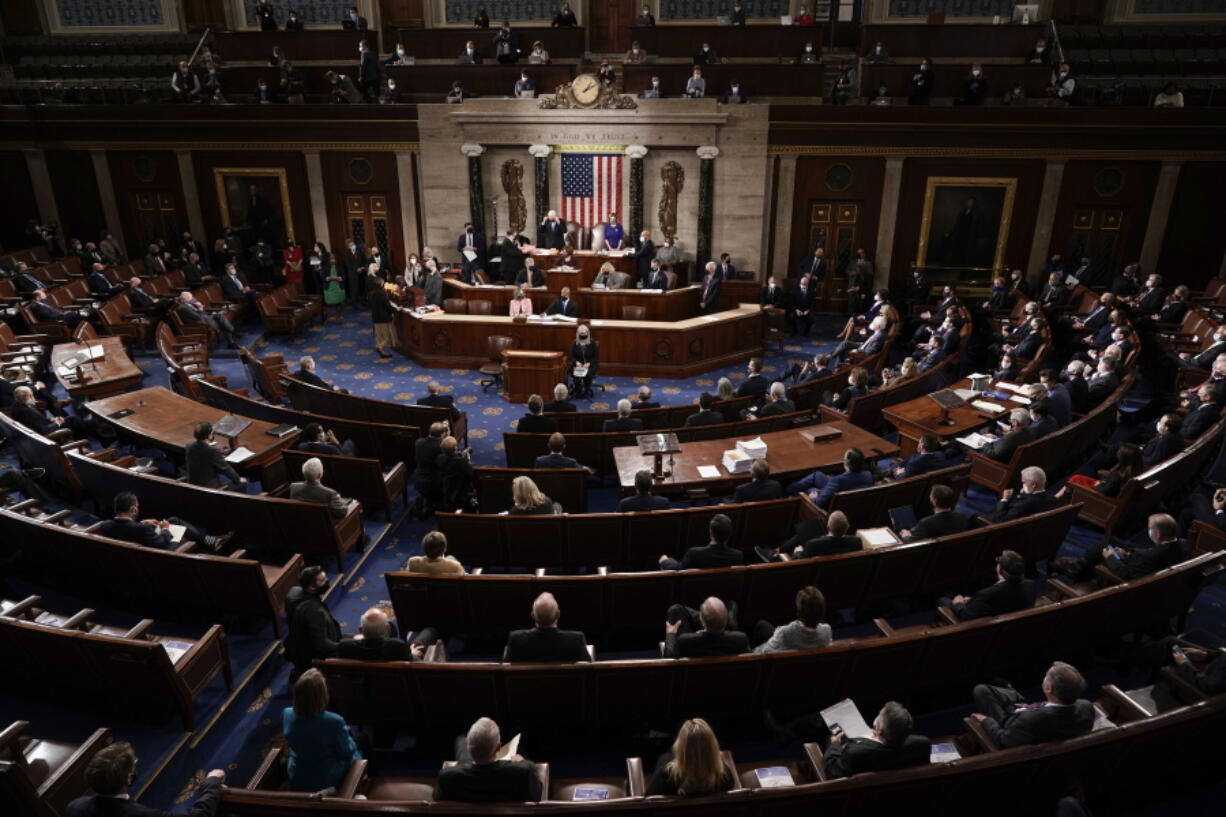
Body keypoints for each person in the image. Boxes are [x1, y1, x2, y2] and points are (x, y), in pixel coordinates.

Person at [64, 742, 225, 817]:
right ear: (128, 778)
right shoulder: (139, 814)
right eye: (134, 764)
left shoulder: (75, 806)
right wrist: (212, 782)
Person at [970, 662, 1095, 748]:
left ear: (1048, 688)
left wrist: (987, 721)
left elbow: (1003, 740)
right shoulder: (1086, 707)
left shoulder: (1029, 720)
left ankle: (1010, 691)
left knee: (981, 691)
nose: (1045, 678)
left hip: (1012, 726)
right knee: (1011, 696)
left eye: (1046, 677)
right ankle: (1010, 691)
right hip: (1030, 717)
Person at [282, 668, 362, 792]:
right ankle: (366, 785)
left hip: (299, 776)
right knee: (362, 741)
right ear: (322, 695)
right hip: (326, 778)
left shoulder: (286, 713)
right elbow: (346, 752)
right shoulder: (334, 721)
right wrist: (346, 733)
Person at [434, 717, 543, 802]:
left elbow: (437, 798)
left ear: (467, 745)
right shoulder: (523, 773)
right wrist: (522, 761)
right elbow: (537, 794)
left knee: (459, 739)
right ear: (498, 747)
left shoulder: (447, 777)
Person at [824, 701, 930, 778]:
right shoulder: (921, 745)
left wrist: (836, 743)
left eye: (879, 715)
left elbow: (832, 769)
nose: (878, 715)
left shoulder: (855, 754)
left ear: (880, 731)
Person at [98, 492, 232, 552]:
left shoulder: (104, 526)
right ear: (133, 509)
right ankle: (211, 542)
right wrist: (165, 529)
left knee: (174, 520)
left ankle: (211, 541)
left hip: (138, 546)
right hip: (163, 553)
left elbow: (126, 529)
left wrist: (142, 523)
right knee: (175, 525)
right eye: (137, 507)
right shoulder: (141, 529)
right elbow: (163, 546)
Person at [645, 718, 734, 796]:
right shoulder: (724, 776)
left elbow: (649, 803)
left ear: (680, 746)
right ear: (712, 746)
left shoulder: (667, 776)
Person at [942, 550, 1032, 621]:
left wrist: (958, 603)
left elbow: (965, 616)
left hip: (980, 627)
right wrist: (973, 600)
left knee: (942, 601)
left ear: (1000, 570)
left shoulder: (987, 594)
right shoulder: (1030, 585)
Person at [285, 566, 339, 680]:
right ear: (311, 587)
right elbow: (323, 646)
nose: (327, 581)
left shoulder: (294, 591)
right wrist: (342, 647)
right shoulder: (314, 612)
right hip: (314, 659)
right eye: (322, 580)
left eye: (326, 577)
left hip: (301, 647)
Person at [505, 592, 590, 662]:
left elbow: (506, 669)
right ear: (558, 614)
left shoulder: (515, 640)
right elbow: (588, 668)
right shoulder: (576, 640)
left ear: (533, 615)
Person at [752, 586, 831, 653]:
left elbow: (765, 651)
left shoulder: (786, 632)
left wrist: (777, 633)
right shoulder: (826, 630)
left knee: (762, 625)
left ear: (799, 612)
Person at [787, 448, 874, 509]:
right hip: (847, 494)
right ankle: (791, 490)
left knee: (810, 489)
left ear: (846, 463)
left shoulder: (837, 480)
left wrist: (812, 499)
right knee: (817, 475)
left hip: (833, 504)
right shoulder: (868, 475)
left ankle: (789, 493)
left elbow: (819, 503)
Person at [664, 596, 748, 658]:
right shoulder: (740, 639)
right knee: (732, 604)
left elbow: (669, 656)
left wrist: (670, 634)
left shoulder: (684, 641)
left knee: (675, 610)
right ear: (727, 620)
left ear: (701, 620)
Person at [659, 514, 743, 570]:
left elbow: (679, 570)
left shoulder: (694, 554)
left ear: (710, 532)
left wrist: (666, 561)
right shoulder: (738, 556)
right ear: (730, 534)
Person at [339, 606, 422, 661]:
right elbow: (413, 661)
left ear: (361, 630)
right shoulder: (399, 647)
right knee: (430, 631)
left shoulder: (344, 646)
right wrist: (412, 653)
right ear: (386, 628)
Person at [185, 421, 247, 491]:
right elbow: (225, 469)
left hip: (192, 485)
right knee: (243, 483)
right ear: (209, 435)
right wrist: (238, 479)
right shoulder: (212, 451)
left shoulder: (189, 446)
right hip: (210, 489)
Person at [991, 466, 1061, 522]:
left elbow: (1001, 521)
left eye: (1024, 482)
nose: (1022, 485)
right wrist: (1025, 495)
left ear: (1033, 485)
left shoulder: (1023, 504)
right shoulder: (1053, 500)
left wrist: (1004, 499)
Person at [900, 485, 968, 542]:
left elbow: (912, 542)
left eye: (931, 496)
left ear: (934, 502)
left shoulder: (926, 523)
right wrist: (919, 529)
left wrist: (906, 536)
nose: (929, 497)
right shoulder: (961, 517)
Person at [366, 264, 398, 357]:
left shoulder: (372, 293)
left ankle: (380, 348)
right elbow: (386, 305)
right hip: (383, 318)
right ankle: (381, 350)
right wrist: (395, 310)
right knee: (384, 335)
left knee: (379, 335)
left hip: (376, 317)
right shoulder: (381, 293)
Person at [438, 436, 476, 512]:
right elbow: (471, 475)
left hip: (447, 490)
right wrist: (468, 461)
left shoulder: (440, 458)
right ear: (455, 448)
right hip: (460, 494)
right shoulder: (461, 462)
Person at [570, 324, 598, 398]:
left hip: (590, 365)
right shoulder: (574, 343)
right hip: (578, 365)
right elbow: (572, 356)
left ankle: (586, 390)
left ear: (588, 333)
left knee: (588, 374)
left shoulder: (592, 343)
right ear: (578, 334)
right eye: (581, 334)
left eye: (584, 333)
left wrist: (589, 363)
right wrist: (576, 362)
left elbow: (595, 357)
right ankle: (578, 390)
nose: (583, 335)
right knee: (574, 374)